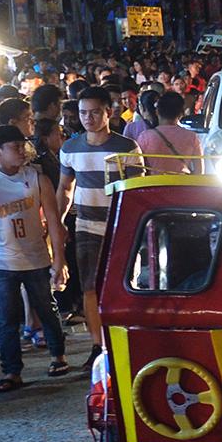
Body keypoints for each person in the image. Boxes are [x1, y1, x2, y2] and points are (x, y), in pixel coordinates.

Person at [0, 124, 68, 391]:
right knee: (6, 319)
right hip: (3, 261)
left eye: (23, 145)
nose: (22, 151)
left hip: (37, 257)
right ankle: (11, 371)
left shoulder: (37, 178)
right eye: (15, 147)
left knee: (48, 309)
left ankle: (58, 356)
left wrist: (59, 259)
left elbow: (55, 222)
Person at [58, 86, 137, 364]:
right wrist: (57, 223)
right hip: (86, 226)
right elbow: (65, 188)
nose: (88, 118)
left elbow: (136, 191)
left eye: (94, 112)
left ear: (109, 112)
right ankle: (97, 346)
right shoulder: (69, 148)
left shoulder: (126, 147)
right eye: (83, 113)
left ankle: (125, 341)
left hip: (120, 229)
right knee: (89, 287)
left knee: (122, 286)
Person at [136, 91, 199, 172]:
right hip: (183, 183)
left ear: (157, 112)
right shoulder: (192, 137)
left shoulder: (145, 137)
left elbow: (139, 169)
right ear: (181, 114)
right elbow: (199, 170)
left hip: (154, 183)